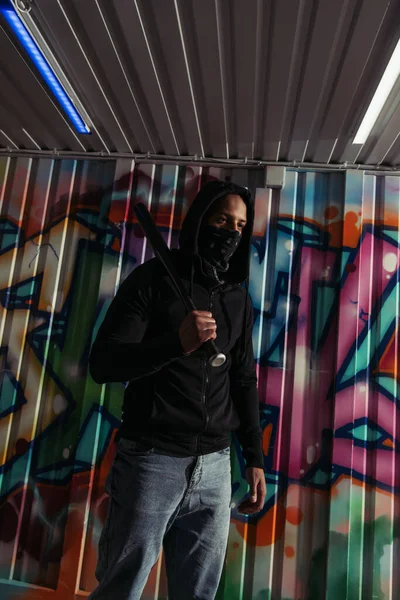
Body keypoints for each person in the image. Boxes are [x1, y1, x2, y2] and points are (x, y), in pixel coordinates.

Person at [88, 181, 266, 600]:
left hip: (216, 466)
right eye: (222, 220)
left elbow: (243, 379)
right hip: (152, 462)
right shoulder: (151, 281)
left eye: (240, 226)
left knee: (198, 594)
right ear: (201, 221)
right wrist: (176, 344)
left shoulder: (238, 300)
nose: (231, 233)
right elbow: (103, 363)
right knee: (122, 588)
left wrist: (254, 459)